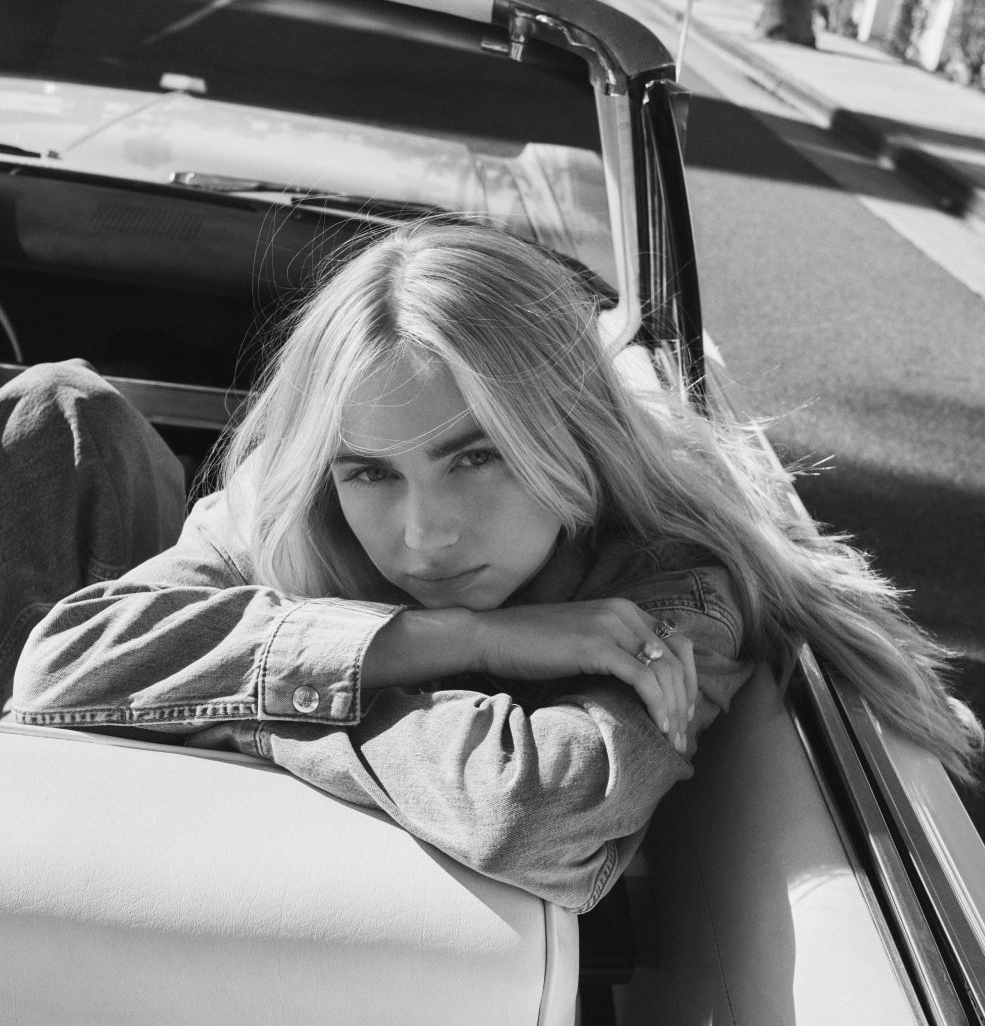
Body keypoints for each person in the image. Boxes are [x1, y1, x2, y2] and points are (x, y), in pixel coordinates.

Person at [7, 220, 982, 911]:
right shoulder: (287, 511)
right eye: (371, 472)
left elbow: (529, 809)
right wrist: (460, 637)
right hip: (181, 926)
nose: (424, 532)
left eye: (477, 456)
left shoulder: (675, 580)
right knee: (64, 414)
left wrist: (216, 703)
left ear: (566, 437)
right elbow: (61, 663)